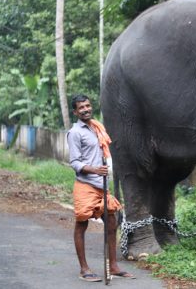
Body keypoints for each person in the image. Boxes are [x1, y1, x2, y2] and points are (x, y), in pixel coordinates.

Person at [67, 94, 135, 282]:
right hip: (85, 185)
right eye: (81, 108)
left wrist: (104, 169)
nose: (86, 109)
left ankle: (112, 266)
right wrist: (95, 169)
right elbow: (74, 162)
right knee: (82, 224)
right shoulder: (75, 133)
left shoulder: (97, 127)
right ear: (75, 112)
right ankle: (84, 269)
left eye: (87, 106)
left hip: (101, 185)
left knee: (111, 222)